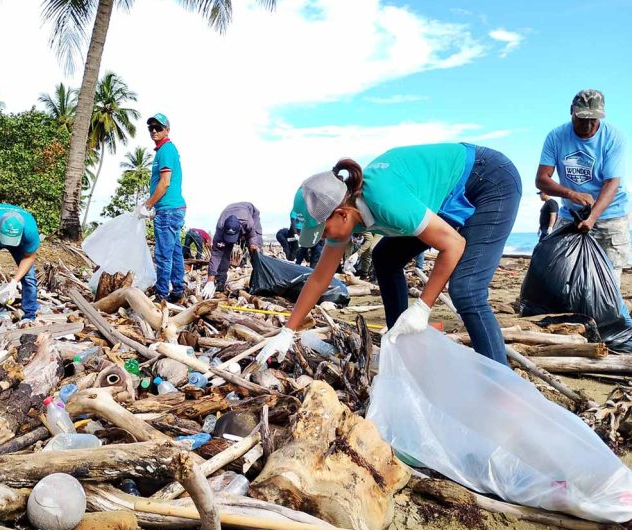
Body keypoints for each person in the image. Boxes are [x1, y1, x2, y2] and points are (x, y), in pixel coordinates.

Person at [256, 143, 521, 367]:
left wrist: (423, 307)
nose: (323, 239)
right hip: (445, 196)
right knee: (385, 257)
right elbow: (318, 279)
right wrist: (287, 332)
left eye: (323, 231)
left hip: (489, 178)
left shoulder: (386, 201)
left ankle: (503, 388)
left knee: (466, 290)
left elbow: (453, 245)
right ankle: (402, 345)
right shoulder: (347, 214)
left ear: (342, 214)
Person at [536, 89, 629, 280]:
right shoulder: (556, 137)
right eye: (582, 118)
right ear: (571, 111)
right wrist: (572, 194)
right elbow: (542, 180)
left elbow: (612, 182)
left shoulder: (613, 137)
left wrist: (593, 217)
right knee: (561, 274)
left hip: (610, 216)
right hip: (571, 215)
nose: (587, 125)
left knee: (608, 278)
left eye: (593, 119)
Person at [137, 113, 186, 301]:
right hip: (173, 208)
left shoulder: (166, 150)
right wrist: (149, 204)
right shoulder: (166, 150)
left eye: (158, 127)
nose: (154, 131)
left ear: (167, 130)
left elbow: (165, 183)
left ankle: (162, 293)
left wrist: (148, 205)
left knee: (163, 253)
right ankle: (178, 290)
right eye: (151, 128)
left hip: (168, 210)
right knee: (174, 251)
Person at [201, 202, 263, 298]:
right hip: (229, 211)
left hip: (249, 212)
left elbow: (253, 236)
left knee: (255, 250)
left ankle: (260, 280)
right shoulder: (220, 228)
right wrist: (210, 281)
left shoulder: (248, 223)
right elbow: (216, 255)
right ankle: (220, 282)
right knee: (223, 251)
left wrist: (254, 245)